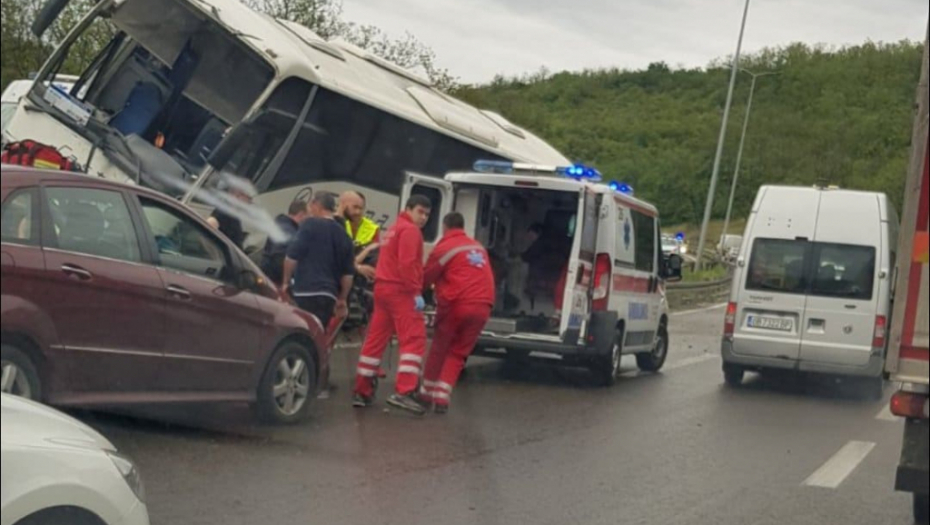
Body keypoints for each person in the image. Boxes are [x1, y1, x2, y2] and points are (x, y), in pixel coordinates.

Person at [352, 194, 432, 415]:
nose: (423, 218)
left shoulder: (393, 229)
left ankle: (362, 390)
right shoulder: (410, 231)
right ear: (409, 209)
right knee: (414, 339)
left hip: (382, 288)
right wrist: (416, 291)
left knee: (375, 339)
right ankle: (404, 392)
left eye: (427, 214)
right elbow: (407, 264)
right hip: (401, 290)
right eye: (420, 212)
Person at [420, 212, 495, 414]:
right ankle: (442, 397)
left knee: (440, 347)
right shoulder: (478, 247)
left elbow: (426, 277)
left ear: (445, 227)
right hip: (483, 305)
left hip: (457, 304)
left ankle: (426, 394)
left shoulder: (444, 247)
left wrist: (414, 294)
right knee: (459, 352)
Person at [282, 192, 355, 329]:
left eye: (310, 205)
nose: (309, 209)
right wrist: (342, 298)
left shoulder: (309, 224)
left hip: (305, 291)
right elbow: (348, 275)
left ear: (316, 205)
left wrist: (286, 282)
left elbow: (291, 257)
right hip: (329, 296)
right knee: (318, 333)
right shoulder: (344, 235)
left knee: (301, 331)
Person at [260, 200, 309, 286]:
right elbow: (281, 258)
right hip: (276, 280)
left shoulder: (282, 225)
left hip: (270, 276)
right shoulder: (289, 232)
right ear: (301, 215)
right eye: (308, 218)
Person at [339, 191, 381, 281]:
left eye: (361, 208)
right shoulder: (338, 224)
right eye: (355, 207)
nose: (358, 212)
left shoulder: (373, 229)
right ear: (344, 205)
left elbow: (374, 258)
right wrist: (358, 267)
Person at [207, 179, 253, 250]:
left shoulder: (234, 215)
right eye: (249, 198)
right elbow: (210, 224)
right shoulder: (223, 213)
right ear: (238, 196)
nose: (250, 202)